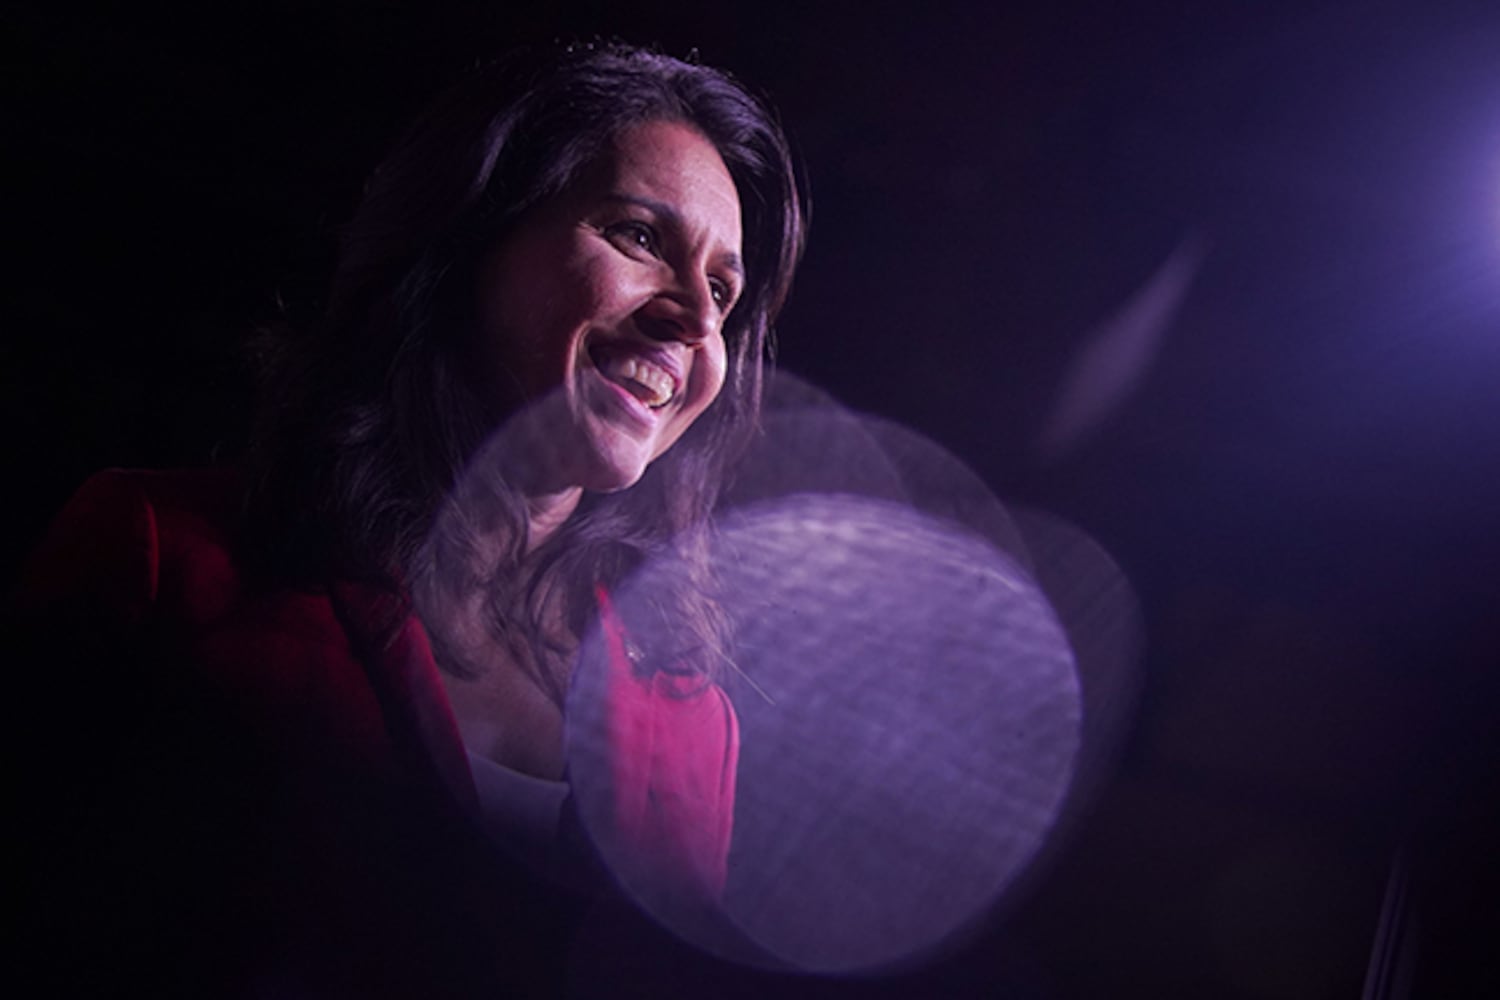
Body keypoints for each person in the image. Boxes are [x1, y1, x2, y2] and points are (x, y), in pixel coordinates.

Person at [14, 41, 804, 997]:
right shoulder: (155, 553)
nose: (694, 320)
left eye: (723, 290)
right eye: (639, 237)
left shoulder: (693, 725)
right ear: (471, 238)